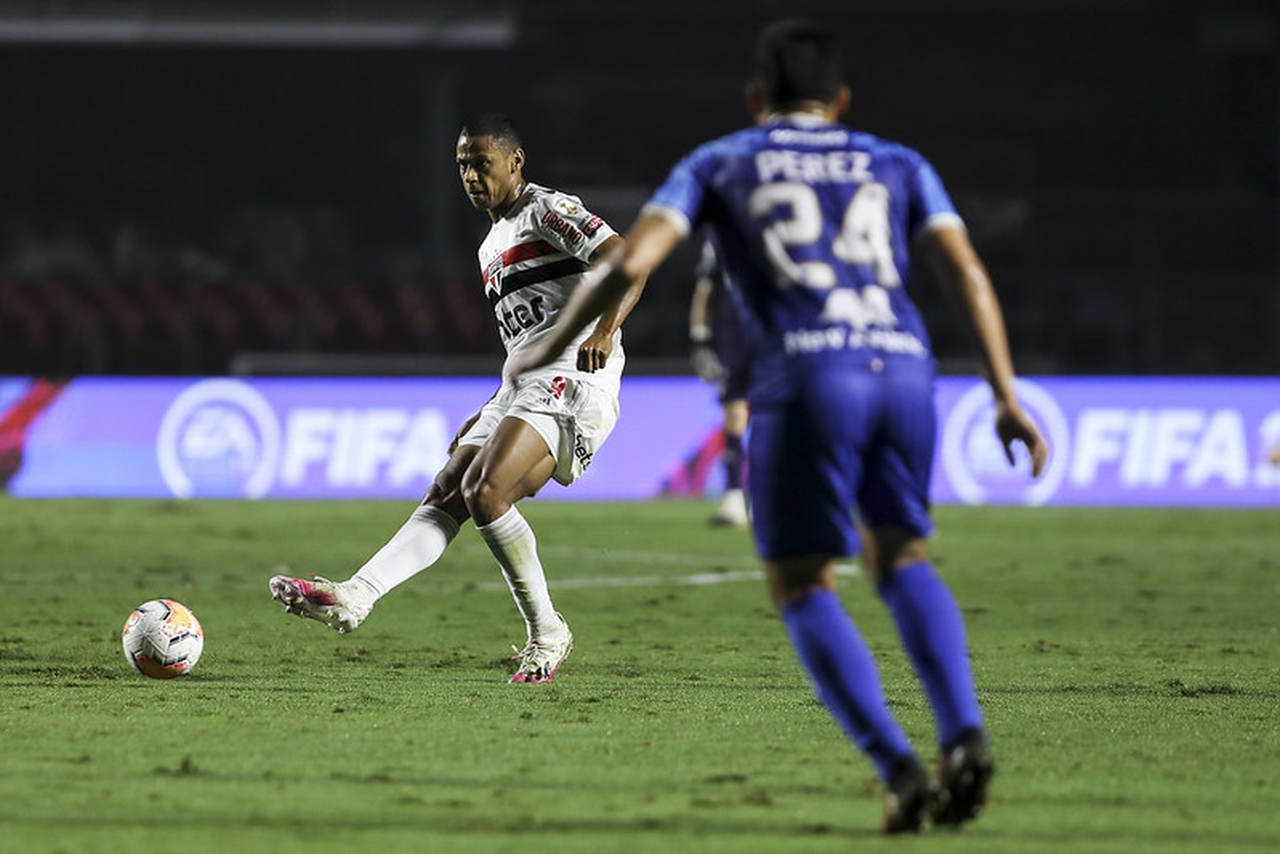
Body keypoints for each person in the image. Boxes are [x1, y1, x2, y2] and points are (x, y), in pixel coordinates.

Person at [505, 20, 1049, 832]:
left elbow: (630, 259)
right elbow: (965, 270)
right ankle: (964, 737)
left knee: (803, 584)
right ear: (843, 101)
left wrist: (562, 336)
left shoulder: (721, 160)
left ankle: (899, 768)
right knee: (902, 558)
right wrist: (1005, 393)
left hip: (806, 375)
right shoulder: (898, 161)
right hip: (904, 370)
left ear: (756, 97)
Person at [270, 113, 644, 684]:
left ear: (515, 162)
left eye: (481, 163)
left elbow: (627, 261)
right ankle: (357, 595)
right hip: (524, 383)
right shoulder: (491, 244)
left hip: (576, 376)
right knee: (449, 489)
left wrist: (603, 330)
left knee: (486, 491)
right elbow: (528, 336)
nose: (470, 175)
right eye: (462, 165)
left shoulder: (546, 210)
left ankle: (548, 632)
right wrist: (496, 400)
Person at [688, 238, 751, 526]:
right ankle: (735, 497)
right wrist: (700, 338)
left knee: (776, 417)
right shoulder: (721, 235)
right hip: (734, 337)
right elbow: (706, 288)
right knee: (734, 416)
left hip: (776, 334)